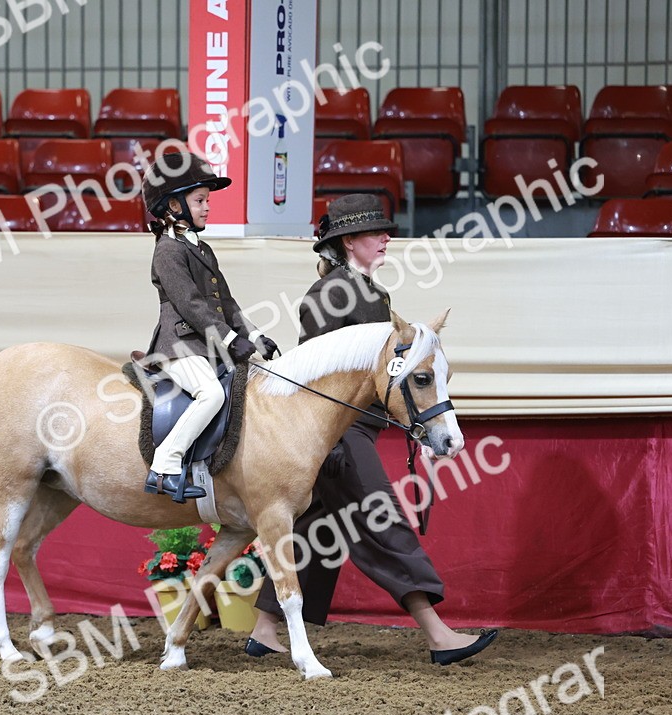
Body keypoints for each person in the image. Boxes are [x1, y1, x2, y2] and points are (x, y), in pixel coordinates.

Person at [244, 193, 498, 666]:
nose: (385, 238)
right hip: (336, 433)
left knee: (318, 528)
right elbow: (311, 373)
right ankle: (438, 633)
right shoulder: (328, 296)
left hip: (361, 426)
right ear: (346, 243)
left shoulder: (377, 295)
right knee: (382, 520)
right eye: (374, 233)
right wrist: (332, 442)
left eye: (385, 232)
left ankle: (264, 630)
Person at [140, 150, 279, 501]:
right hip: (179, 345)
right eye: (200, 200)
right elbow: (191, 305)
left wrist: (256, 335)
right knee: (211, 394)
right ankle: (165, 465)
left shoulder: (201, 248)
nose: (207, 207)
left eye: (207, 200)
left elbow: (226, 303)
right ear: (174, 207)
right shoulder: (168, 251)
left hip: (205, 345)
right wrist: (232, 340)